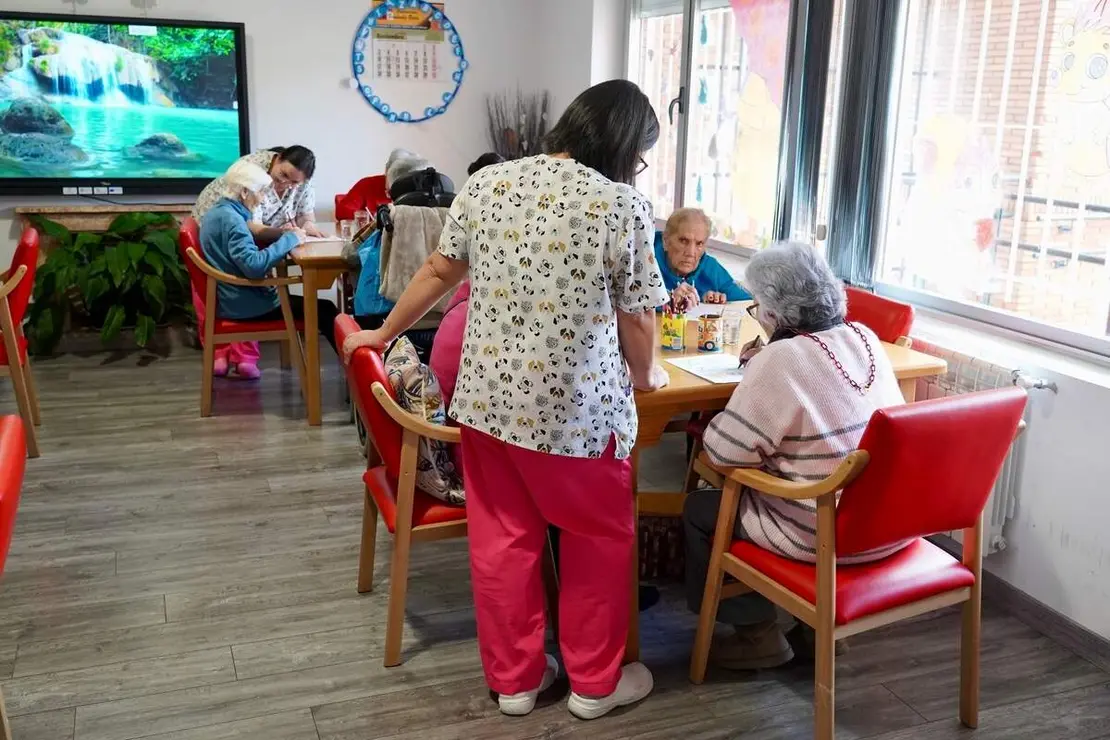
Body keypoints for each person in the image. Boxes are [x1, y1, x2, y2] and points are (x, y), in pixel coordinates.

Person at [342, 79, 670, 720]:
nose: (637, 168)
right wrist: (649, 372)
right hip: (576, 416)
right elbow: (637, 314)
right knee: (595, 540)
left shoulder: (488, 185)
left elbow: (439, 271)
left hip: (487, 405)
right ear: (624, 145)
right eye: (640, 154)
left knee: (504, 540)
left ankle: (516, 683)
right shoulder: (620, 204)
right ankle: (594, 685)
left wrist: (384, 331)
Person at [682, 241, 906, 671]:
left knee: (700, 507)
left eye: (756, 307)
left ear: (772, 313)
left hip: (822, 532)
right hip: (885, 525)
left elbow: (723, 452)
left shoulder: (781, 358)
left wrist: (756, 378)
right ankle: (813, 629)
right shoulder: (866, 338)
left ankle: (757, 634)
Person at [192, 145, 323, 377]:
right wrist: (287, 239)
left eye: (294, 184)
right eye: (263, 191)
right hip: (244, 303)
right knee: (323, 310)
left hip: (232, 294)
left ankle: (241, 359)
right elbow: (253, 265)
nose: (268, 195)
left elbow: (303, 213)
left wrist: (297, 231)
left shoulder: (224, 212)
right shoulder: (238, 214)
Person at [655, 208, 751, 308]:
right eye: (683, 241)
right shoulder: (646, 262)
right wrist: (668, 301)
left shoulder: (711, 269)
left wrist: (718, 300)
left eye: (699, 244)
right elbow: (638, 305)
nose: (691, 253)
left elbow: (750, 302)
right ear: (666, 241)